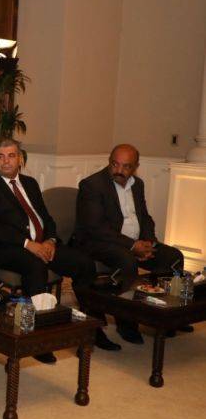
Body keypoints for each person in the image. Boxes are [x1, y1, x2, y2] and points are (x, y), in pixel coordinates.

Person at [0, 139, 98, 359]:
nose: (6, 161)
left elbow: (45, 218)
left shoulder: (30, 183)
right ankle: (38, 340)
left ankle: (90, 327)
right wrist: (28, 244)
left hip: (42, 244)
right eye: (0, 157)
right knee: (35, 265)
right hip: (5, 249)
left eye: (11, 156)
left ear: (20, 159)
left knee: (84, 263)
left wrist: (50, 240)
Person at [72, 143, 188, 344]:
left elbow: (144, 217)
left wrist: (148, 242)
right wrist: (133, 246)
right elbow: (96, 227)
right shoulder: (92, 185)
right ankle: (127, 322)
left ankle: (162, 316)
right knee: (127, 261)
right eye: (114, 164)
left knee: (173, 257)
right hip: (99, 242)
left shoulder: (138, 184)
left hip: (133, 242)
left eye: (126, 166)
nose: (119, 170)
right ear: (109, 162)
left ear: (135, 167)